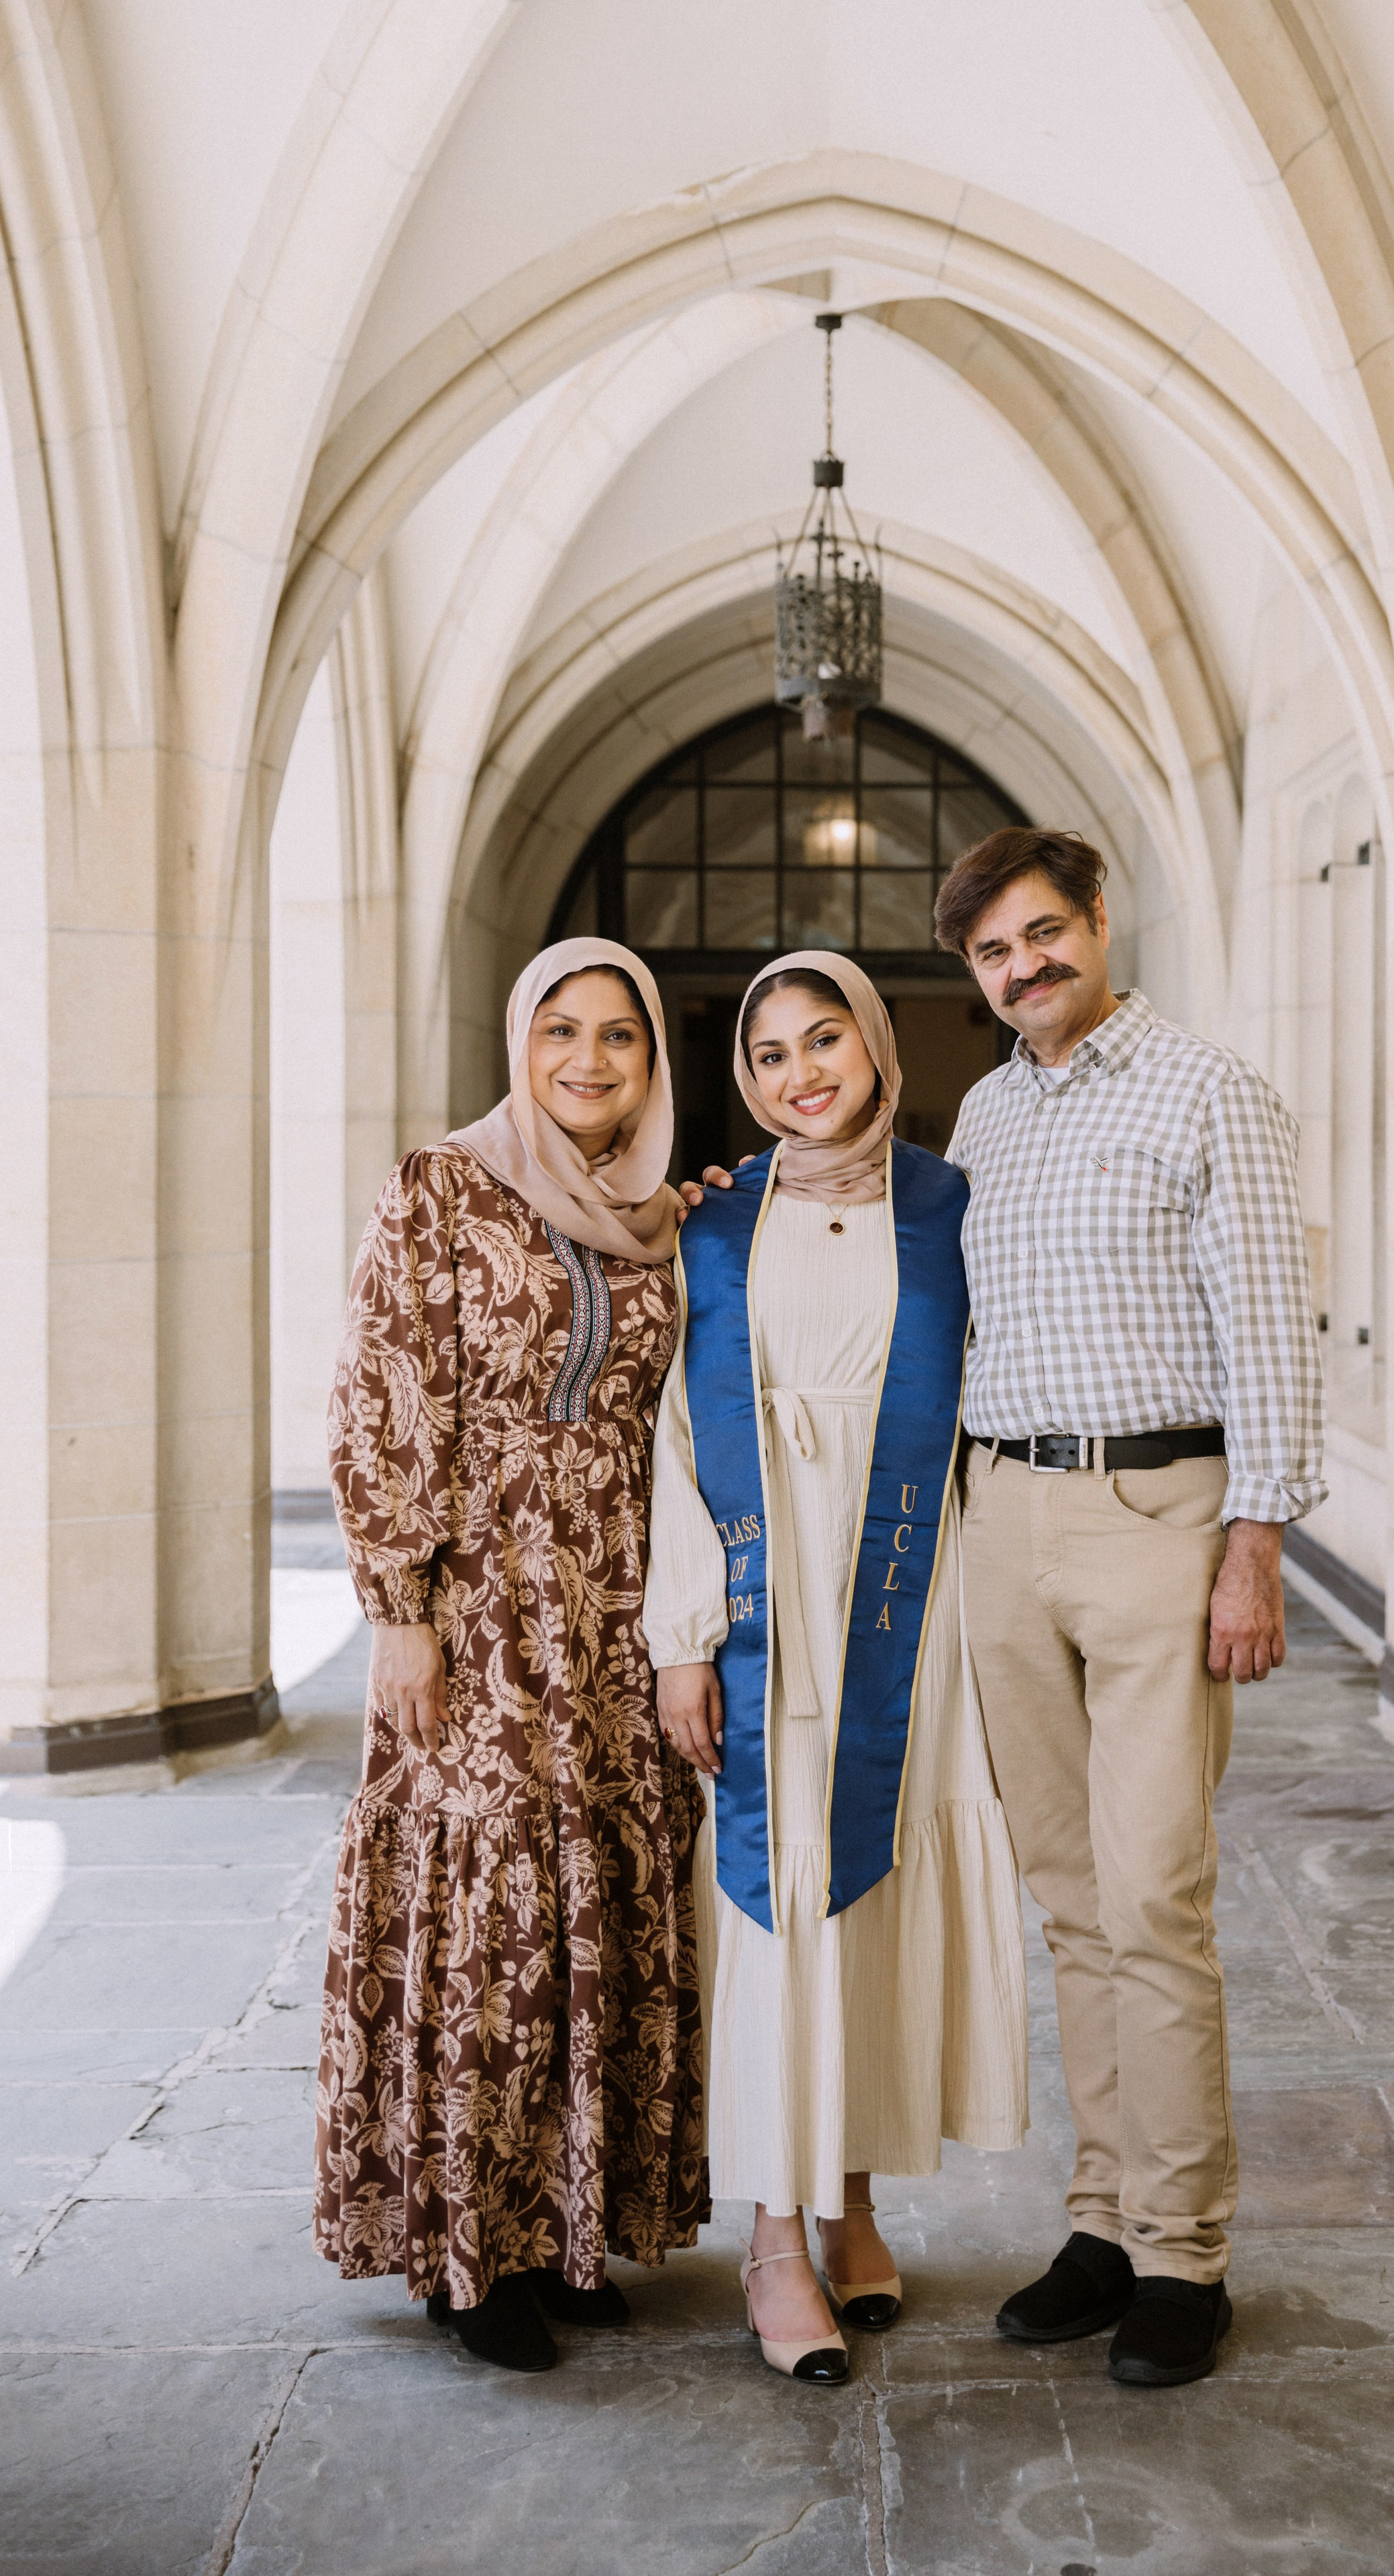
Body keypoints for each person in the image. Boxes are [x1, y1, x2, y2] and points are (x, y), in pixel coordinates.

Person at [934, 826, 1325, 2389]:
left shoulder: (1207, 1089)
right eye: (991, 953)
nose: (1021, 967)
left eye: (1041, 933)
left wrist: (1254, 1545)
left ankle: (1182, 2252)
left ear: (1098, 919)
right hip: (1002, 1518)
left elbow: (1271, 1328)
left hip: (1159, 1519)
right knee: (1069, 1902)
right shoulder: (983, 1112)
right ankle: (1099, 2222)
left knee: (1153, 1895)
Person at [313, 937, 709, 2375]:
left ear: (651, 1062)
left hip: (616, 1602)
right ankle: (468, 2251)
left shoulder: (663, 1218)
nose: (589, 1060)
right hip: (477, 1602)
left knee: (595, 1894)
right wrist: (399, 1609)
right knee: (489, 1910)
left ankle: (565, 2227)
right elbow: (383, 1394)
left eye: (619, 1035)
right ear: (518, 1046)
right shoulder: (438, 1187)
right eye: (561, 1031)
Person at [645, 953, 1028, 2385]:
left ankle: (853, 2195)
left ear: (873, 1045)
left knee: (875, 1884)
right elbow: (671, 1437)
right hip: (767, 1597)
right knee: (775, 1895)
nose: (801, 1072)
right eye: (770, 1053)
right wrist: (685, 1636)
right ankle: (770, 2237)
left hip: (905, 1594)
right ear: (744, 1079)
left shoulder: (950, 1206)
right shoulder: (709, 1222)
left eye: (825, 1040)